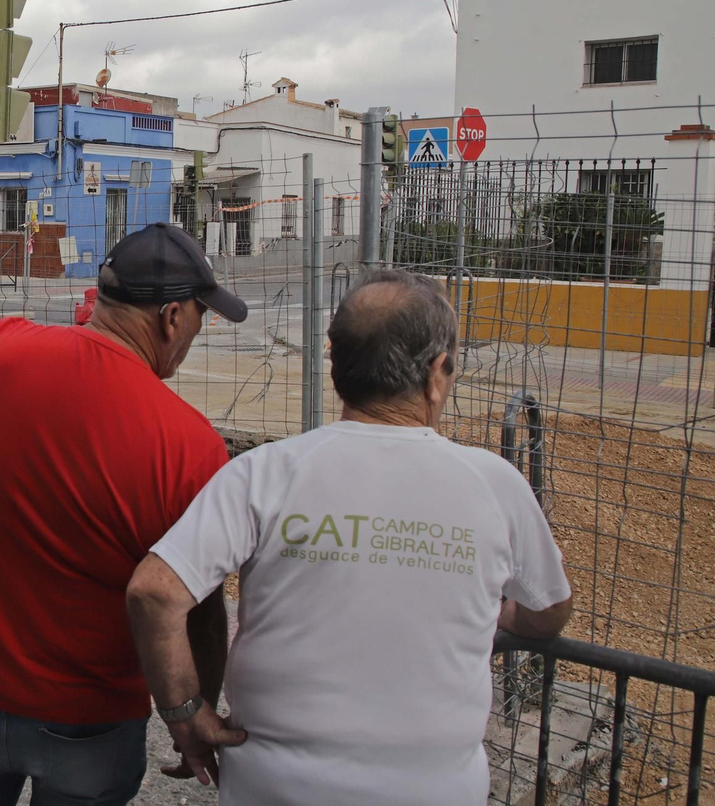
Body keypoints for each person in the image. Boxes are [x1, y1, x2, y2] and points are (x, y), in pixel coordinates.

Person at [126, 269, 573, 804]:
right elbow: (549, 609)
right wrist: (501, 616)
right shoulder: (495, 483)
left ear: (335, 364)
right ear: (437, 373)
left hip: (274, 788)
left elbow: (154, 592)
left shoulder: (265, 472)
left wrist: (184, 715)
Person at [0, 222, 248, 806]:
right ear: (172, 317)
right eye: (202, 314)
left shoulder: (8, 350)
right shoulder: (190, 447)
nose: (199, 329)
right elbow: (191, 605)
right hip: (85, 722)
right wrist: (191, 710)